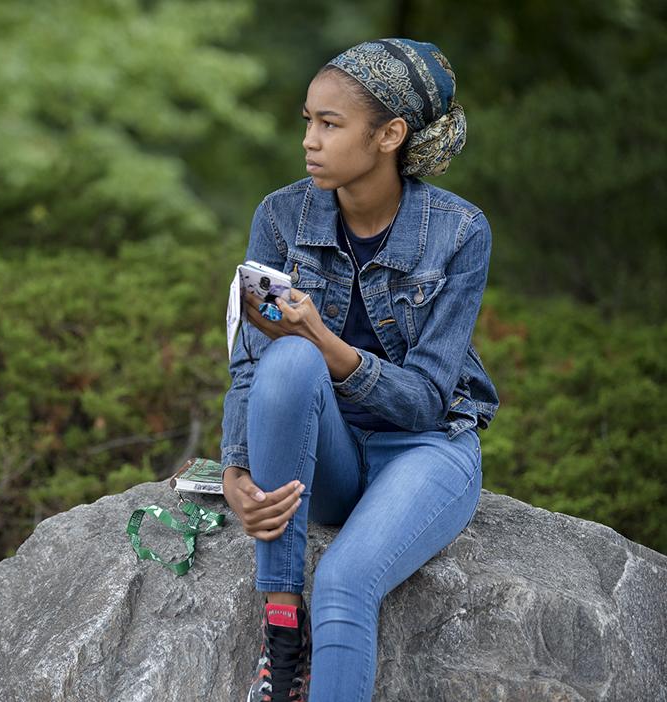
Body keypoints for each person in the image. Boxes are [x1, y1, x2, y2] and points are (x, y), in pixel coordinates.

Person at [219, 38, 500, 702]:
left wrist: (325, 339)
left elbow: (429, 401)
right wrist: (237, 472)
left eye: (330, 124)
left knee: (346, 581)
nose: (309, 141)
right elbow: (250, 363)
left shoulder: (460, 233)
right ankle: (281, 626)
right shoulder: (280, 217)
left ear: (390, 135)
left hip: (424, 452)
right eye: (307, 121)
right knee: (285, 359)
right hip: (328, 459)